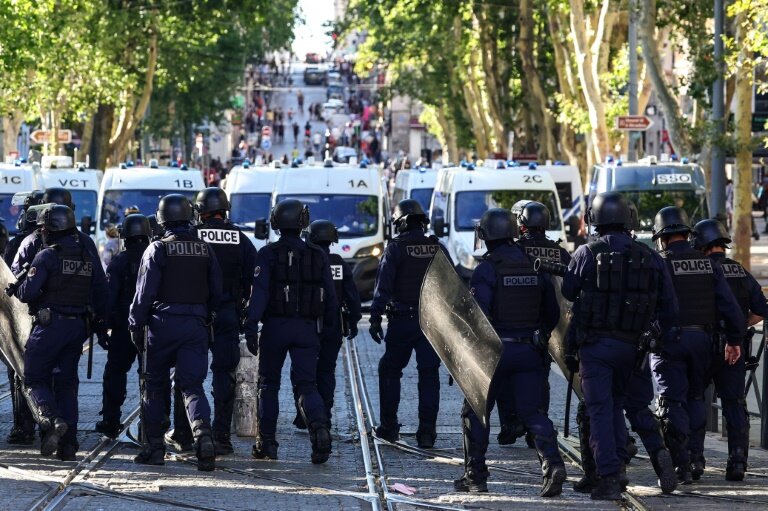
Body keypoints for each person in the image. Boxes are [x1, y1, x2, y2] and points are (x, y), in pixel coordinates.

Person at [561, 192, 678, 500]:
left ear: (594, 218)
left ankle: (611, 477)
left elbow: (569, 291)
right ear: (629, 218)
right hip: (635, 348)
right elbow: (670, 308)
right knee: (628, 405)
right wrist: (652, 334)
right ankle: (658, 454)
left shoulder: (586, 253)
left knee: (600, 409)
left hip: (596, 347)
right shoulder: (649, 255)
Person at [455, 208, 566, 495]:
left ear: (488, 236)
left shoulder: (487, 269)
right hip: (529, 351)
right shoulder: (534, 265)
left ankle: (475, 476)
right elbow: (553, 313)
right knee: (533, 412)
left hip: (493, 355)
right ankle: (553, 464)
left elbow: (478, 315)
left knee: (476, 412)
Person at [650, 207, 745, 484]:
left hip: (670, 341)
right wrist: (735, 340)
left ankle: (683, 464)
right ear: (686, 234)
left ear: (663, 237)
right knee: (695, 398)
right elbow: (730, 307)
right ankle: (695, 457)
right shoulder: (708, 264)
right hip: (704, 342)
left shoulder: (660, 263)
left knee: (671, 401)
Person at [129, 194, 223, 471]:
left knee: (155, 387)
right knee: (193, 387)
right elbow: (217, 293)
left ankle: (154, 448)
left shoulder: (156, 249)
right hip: (195, 325)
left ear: (161, 219)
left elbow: (143, 294)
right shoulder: (205, 249)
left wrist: (136, 324)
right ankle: (203, 435)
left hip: (161, 326)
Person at [244, 199, 338, 464]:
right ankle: (320, 430)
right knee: (307, 385)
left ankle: (267, 443)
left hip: (275, 328)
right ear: (303, 222)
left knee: (268, 385)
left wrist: (251, 326)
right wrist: (329, 331)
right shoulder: (318, 254)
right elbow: (330, 297)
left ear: (276, 222)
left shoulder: (267, 253)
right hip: (308, 328)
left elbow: (259, 295)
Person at [165, 188, 257, 455]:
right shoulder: (240, 238)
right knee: (224, 375)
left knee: (185, 375)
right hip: (227, 313)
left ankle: (183, 433)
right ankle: (221, 436)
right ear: (224, 209)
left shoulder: (192, 236)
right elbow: (254, 277)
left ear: (200, 211)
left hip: (195, 314)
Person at [15, 205, 108, 460]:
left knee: (34, 379)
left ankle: (50, 419)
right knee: (67, 384)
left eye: (43, 228)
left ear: (52, 228)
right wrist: (101, 327)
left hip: (48, 326)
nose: (41, 232)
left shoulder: (46, 256)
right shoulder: (87, 256)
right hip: (78, 328)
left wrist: (22, 283)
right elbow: (101, 290)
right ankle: (69, 445)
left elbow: (27, 294)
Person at [690, 218, 767, 481]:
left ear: (700, 244)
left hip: (702, 346)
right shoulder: (740, 271)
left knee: (696, 400)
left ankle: (695, 460)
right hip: (734, 347)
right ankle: (737, 461)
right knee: (734, 403)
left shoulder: (699, 269)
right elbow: (761, 309)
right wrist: (739, 326)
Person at [369, 199, 450, 448]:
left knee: (390, 370)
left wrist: (375, 318)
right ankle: (427, 432)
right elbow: (453, 287)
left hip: (402, 321)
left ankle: (389, 427)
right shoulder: (437, 248)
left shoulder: (396, 248)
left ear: (401, 222)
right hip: (432, 323)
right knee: (429, 375)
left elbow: (383, 286)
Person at [496, 200, 571, 446]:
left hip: (518, 323)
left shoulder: (516, 250)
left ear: (522, 224)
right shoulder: (560, 252)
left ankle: (511, 422)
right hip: (552, 327)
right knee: (541, 377)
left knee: (505, 376)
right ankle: (536, 427)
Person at [291, 220, 362, 430]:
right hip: (333, 326)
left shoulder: (304, 259)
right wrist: (354, 320)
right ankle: (326, 414)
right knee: (326, 371)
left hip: (307, 324)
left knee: (302, 371)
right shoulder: (339, 262)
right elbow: (352, 295)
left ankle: (304, 414)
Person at [95, 214, 152, 438]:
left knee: (115, 373)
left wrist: (102, 327)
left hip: (124, 329)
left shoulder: (119, 262)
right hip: (153, 328)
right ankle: (157, 420)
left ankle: (110, 420)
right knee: (154, 376)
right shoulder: (157, 255)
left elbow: (109, 298)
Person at [3, 190, 44, 446]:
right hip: (59, 319)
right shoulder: (79, 241)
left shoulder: (22, 242)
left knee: (19, 374)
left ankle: (24, 427)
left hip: (22, 318)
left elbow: (7, 280)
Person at [12, 187, 100, 274]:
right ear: (71, 209)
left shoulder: (31, 242)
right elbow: (99, 282)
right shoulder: (86, 241)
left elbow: (15, 278)